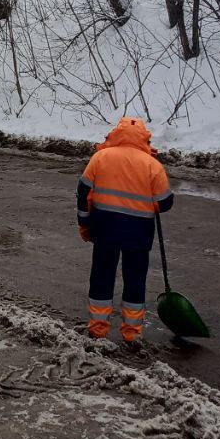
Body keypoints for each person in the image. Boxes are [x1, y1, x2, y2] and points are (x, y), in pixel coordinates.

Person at [76, 117, 174, 345]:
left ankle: (97, 329)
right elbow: (164, 203)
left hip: (104, 229)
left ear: (115, 134)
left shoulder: (100, 157)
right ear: (144, 138)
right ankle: (132, 332)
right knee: (135, 280)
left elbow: (83, 194)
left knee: (101, 276)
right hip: (138, 233)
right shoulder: (152, 165)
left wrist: (84, 224)